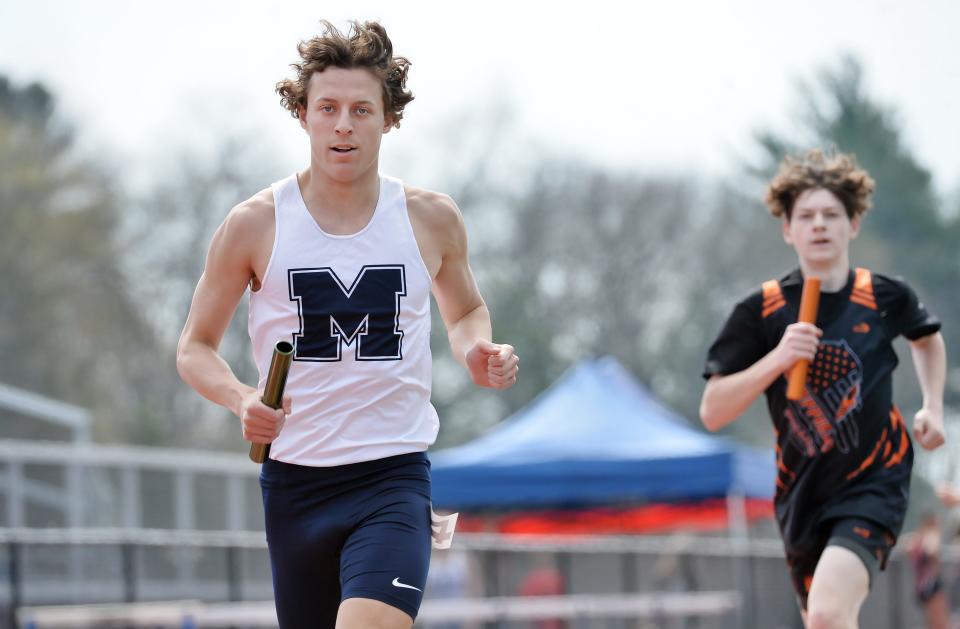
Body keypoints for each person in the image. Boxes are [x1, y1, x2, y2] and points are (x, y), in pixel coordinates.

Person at [176, 20, 518, 629]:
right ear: (302, 114)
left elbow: (465, 310)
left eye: (361, 109)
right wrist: (241, 399)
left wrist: (475, 350)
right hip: (296, 486)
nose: (343, 125)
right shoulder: (254, 224)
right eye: (327, 107)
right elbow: (195, 348)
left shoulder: (430, 218)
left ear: (388, 119)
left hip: (393, 477)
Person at [699, 149, 947, 629]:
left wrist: (933, 407)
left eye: (831, 215)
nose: (819, 225)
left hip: (875, 480)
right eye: (806, 216)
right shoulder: (762, 311)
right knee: (825, 621)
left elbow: (928, 339)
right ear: (787, 230)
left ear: (853, 224)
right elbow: (712, 411)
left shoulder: (881, 295)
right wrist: (778, 359)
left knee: (829, 615)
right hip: (802, 493)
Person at [906, 512, 951, 629]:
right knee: (940, 623)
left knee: (931, 622)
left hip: (921, 585)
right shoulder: (931, 535)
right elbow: (932, 550)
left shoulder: (916, 539)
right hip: (932, 583)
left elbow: (907, 549)